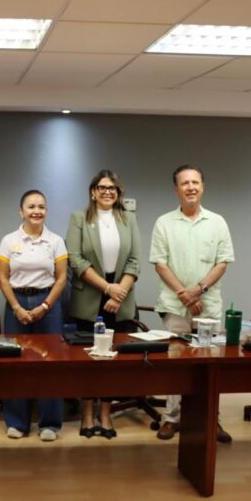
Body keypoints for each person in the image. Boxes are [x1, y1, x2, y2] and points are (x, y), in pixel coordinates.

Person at [150, 165, 234, 443]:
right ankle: (172, 418)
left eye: (195, 182)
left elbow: (222, 262)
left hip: (208, 306)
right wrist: (183, 294)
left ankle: (211, 418)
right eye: (185, 183)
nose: (191, 187)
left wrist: (198, 290)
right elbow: (160, 263)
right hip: (174, 306)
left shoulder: (217, 222)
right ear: (176, 189)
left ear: (203, 187)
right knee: (176, 363)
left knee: (210, 363)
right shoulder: (164, 223)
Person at [66, 170, 141, 440]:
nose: (107, 192)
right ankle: (87, 412)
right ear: (93, 191)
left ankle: (106, 413)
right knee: (88, 360)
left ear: (118, 193)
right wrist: (107, 288)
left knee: (112, 361)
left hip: (120, 297)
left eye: (113, 188)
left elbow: (135, 260)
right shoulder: (79, 218)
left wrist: (118, 292)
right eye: (102, 187)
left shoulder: (129, 219)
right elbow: (75, 259)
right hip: (90, 296)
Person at [0, 190, 68, 441]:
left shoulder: (55, 241)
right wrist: (17, 307)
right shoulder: (9, 240)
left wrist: (45, 306)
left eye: (41, 207)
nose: (36, 211)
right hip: (16, 302)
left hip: (48, 303)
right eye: (31, 207)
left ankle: (50, 424)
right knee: (16, 363)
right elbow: (2, 278)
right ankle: (17, 422)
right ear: (21, 211)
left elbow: (61, 277)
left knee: (50, 364)